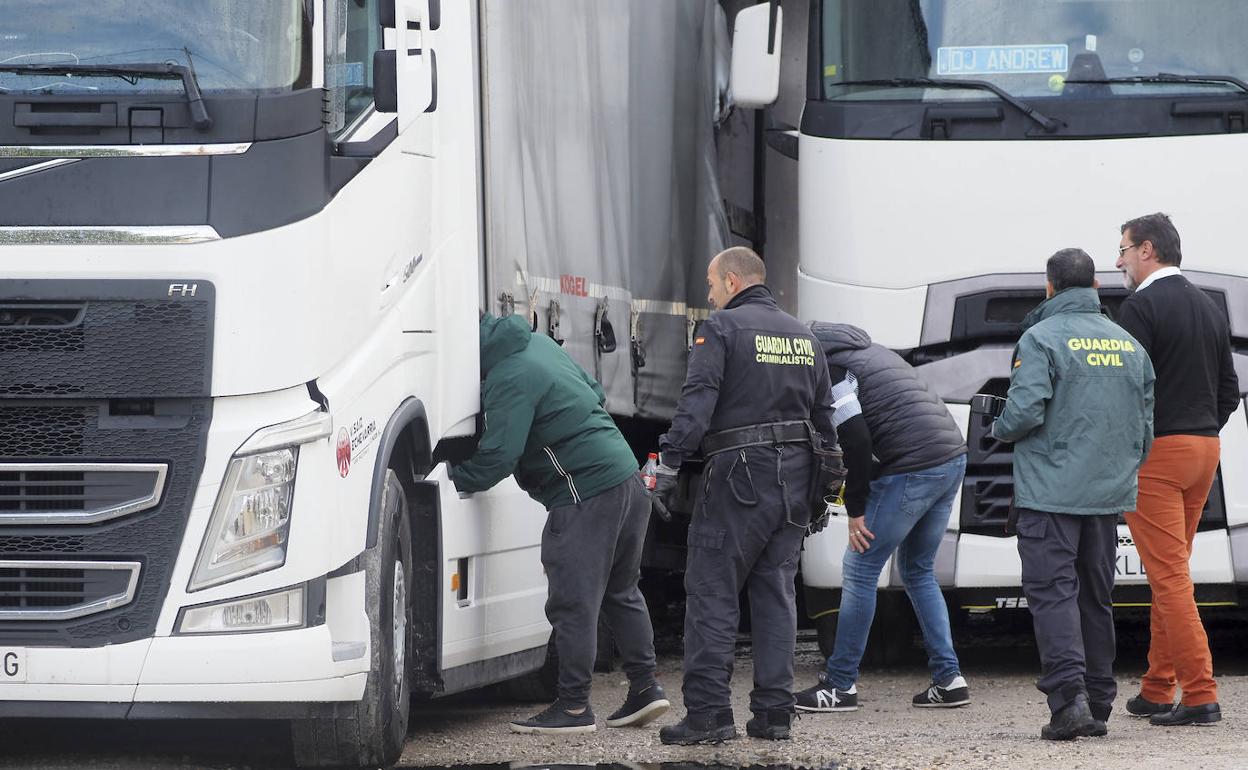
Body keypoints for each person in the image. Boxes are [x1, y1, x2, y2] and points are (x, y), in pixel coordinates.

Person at [652, 246, 840, 745]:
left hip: (740, 474)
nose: (710, 295)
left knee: (712, 591)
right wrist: (824, 487)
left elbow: (697, 402)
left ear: (733, 282)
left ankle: (710, 714)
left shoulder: (720, 329)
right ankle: (774, 714)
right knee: (775, 593)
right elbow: (826, 419)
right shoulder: (805, 336)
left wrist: (668, 464)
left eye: (713, 284)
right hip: (797, 479)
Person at [450, 312, 669, 735]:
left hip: (584, 493)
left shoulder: (506, 376)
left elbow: (500, 455)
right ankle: (646, 687)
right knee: (622, 591)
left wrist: (455, 475)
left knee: (574, 602)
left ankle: (572, 708)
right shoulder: (538, 344)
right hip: (627, 477)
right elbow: (595, 392)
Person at [991, 248, 1154, 740]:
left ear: (1049, 287)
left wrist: (998, 426)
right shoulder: (1130, 345)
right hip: (1106, 498)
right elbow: (1145, 432)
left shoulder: (1039, 338)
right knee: (1095, 597)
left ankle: (1069, 702)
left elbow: (1023, 414)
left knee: (1053, 594)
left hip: (1049, 496)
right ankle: (1099, 700)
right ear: (1096, 290)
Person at [794, 322, 969, 713]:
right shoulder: (874, 354)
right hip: (951, 457)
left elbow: (855, 438)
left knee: (859, 569)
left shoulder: (834, 371)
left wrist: (855, 509)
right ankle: (949, 679)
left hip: (914, 466)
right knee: (918, 570)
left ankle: (839, 686)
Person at [1114, 213, 1240, 726]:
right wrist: (1202, 428)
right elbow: (1229, 389)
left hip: (1159, 456)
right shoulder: (1210, 306)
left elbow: (1124, 391)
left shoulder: (1138, 307)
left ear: (1147, 250)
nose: (1118, 260)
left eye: (1122, 249)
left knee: (1168, 579)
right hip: (1205, 448)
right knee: (1174, 572)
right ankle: (1157, 686)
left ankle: (1201, 693)